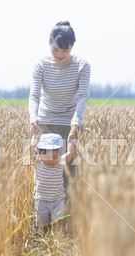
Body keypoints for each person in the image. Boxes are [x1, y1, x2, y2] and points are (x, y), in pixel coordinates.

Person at [29, 20, 91, 182]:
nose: (59, 54)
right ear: (49, 44)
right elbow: (34, 95)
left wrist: (77, 119)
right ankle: (43, 207)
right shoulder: (40, 65)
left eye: (65, 49)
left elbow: (83, 95)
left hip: (69, 123)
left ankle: (66, 207)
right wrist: (33, 117)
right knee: (44, 172)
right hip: (45, 123)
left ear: (72, 46)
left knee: (66, 174)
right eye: (55, 49)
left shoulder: (82, 66)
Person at [33, 132, 75, 233]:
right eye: (47, 158)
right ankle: (46, 240)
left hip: (57, 199)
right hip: (41, 200)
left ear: (59, 155)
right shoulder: (37, 163)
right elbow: (31, 152)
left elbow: (70, 153)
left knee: (58, 222)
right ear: (40, 154)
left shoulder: (61, 162)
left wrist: (70, 140)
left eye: (55, 157)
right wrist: (34, 137)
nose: (51, 161)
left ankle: (58, 241)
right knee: (43, 224)